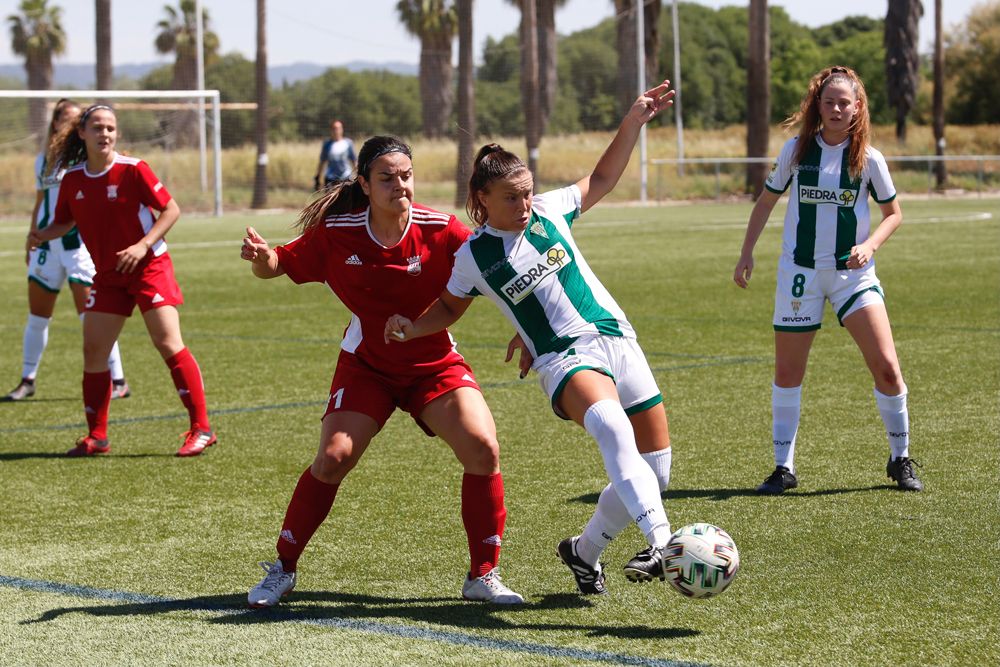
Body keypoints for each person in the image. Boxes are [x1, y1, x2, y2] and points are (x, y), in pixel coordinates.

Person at [385, 81, 678, 596]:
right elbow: (451, 307)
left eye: (527, 192)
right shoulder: (474, 256)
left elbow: (604, 177)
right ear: (482, 199)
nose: (524, 204)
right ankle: (663, 542)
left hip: (615, 336)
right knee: (612, 430)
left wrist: (633, 120)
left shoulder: (551, 210)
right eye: (511, 197)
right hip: (563, 358)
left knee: (657, 468)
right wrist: (412, 326)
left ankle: (583, 552)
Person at [241, 135, 523, 608]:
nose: (400, 186)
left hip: (433, 364)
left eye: (406, 176)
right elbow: (278, 265)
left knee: (482, 448)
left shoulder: (443, 230)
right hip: (367, 366)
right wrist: (263, 258)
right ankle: (283, 568)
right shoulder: (340, 232)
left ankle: (483, 574)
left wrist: (526, 330)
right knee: (333, 457)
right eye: (387, 178)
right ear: (366, 186)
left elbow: (498, 271)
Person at [733, 65, 922, 494]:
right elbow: (765, 202)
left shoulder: (869, 159)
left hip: (851, 276)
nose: (837, 109)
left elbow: (894, 215)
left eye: (845, 103)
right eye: (829, 101)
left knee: (888, 367)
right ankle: (784, 467)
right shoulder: (796, 151)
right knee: (788, 372)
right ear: (817, 105)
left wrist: (870, 245)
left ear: (858, 109)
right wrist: (746, 253)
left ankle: (901, 458)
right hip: (798, 274)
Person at [29, 104, 215, 458]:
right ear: (82, 133)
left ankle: (202, 428)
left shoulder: (134, 169)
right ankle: (96, 436)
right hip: (109, 275)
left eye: (111, 128)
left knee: (167, 342)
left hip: (150, 267)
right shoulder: (73, 180)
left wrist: (142, 245)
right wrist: (39, 234)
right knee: (93, 350)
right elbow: (64, 222)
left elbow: (171, 209)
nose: (105, 134)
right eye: (97, 127)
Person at [5, 98, 130, 403]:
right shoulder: (43, 160)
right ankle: (27, 379)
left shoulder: (90, 160)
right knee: (37, 316)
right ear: (55, 122)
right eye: (64, 118)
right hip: (48, 246)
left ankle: (118, 380)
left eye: (76, 120)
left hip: (80, 248)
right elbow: (40, 203)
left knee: (93, 316)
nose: (70, 125)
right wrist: (30, 237)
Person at [314, 119, 356, 189]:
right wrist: (318, 176)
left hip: (346, 177)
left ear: (342, 129)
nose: (336, 131)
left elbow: (354, 160)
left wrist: (359, 175)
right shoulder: (327, 144)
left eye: (339, 128)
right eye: (334, 129)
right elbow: (322, 162)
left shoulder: (348, 143)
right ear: (331, 130)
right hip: (331, 179)